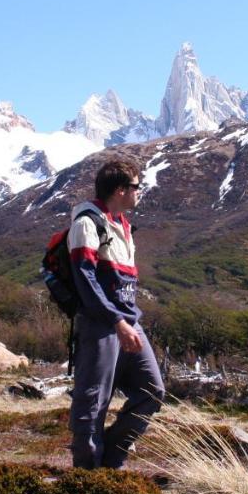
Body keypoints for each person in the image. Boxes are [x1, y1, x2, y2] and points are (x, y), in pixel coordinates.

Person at [67, 160, 165, 469]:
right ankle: (87, 475)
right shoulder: (87, 223)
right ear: (121, 190)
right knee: (93, 401)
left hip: (128, 321)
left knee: (152, 390)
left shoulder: (122, 225)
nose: (141, 192)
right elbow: (86, 279)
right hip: (102, 326)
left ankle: (111, 459)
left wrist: (127, 321)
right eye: (137, 186)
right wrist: (117, 321)